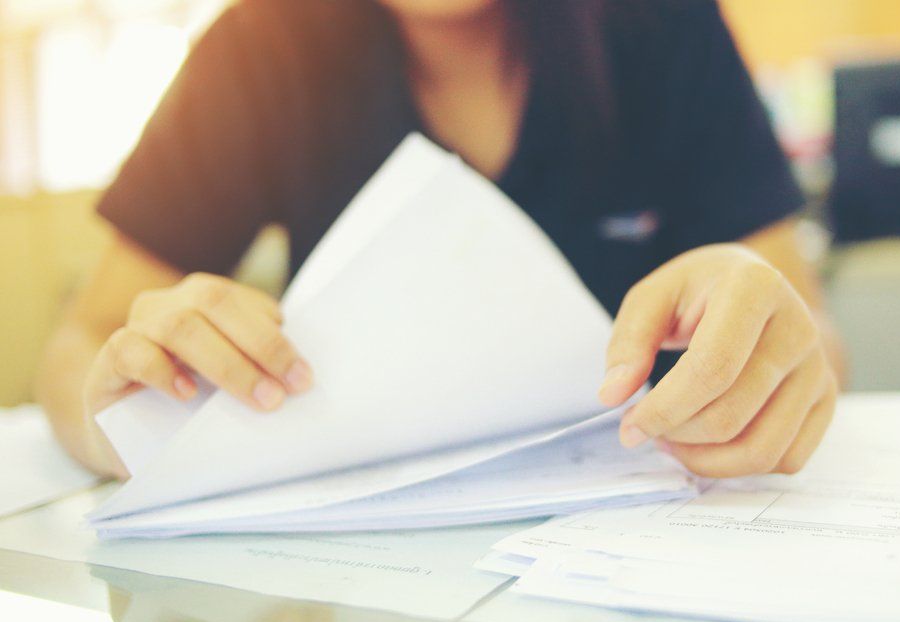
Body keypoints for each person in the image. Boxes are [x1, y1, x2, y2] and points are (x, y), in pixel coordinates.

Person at [36, 0, 844, 480]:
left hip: (640, 526)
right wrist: (129, 423)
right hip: (347, 566)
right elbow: (83, 340)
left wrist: (775, 360)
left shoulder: (660, 24)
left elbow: (805, 330)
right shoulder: (262, 43)